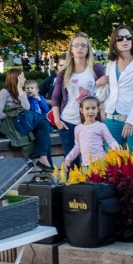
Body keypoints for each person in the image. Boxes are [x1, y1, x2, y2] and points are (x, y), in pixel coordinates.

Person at [50, 35, 106, 166]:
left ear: (88, 49)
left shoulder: (96, 68)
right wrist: (57, 120)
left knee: (94, 163)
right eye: (76, 45)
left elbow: (104, 94)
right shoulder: (64, 71)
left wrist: (102, 117)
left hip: (90, 121)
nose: (79, 48)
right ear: (71, 49)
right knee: (72, 164)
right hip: (68, 122)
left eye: (83, 45)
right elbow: (56, 97)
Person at [0, 68, 53, 170]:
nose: (25, 79)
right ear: (16, 78)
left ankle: (44, 159)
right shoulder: (4, 92)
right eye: (22, 76)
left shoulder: (21, 92)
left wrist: (19, 89)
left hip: (25, 122)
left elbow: (26, 107)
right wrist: (13, 113)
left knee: (44, 126)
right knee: (44, 127)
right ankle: (47, 165)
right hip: (13, 124)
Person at [105, 26, 133, 151]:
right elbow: (107, 92)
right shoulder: (111, 65)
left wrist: (130, 121)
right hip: (112, 120)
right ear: (114, 43)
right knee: (111, 160)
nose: (125, 41)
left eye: (128, 37)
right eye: (120, 38)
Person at [62, 96, 119, 167]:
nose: (90, 111)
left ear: (98, 109)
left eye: (93, 108)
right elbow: (77, 147)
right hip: (86, 164)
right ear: (81, 110)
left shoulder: (101, 126)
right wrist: (68, 158)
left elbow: (111, 141)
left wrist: (116, 149)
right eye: (87, 108)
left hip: (101, 162)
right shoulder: (78, 128)